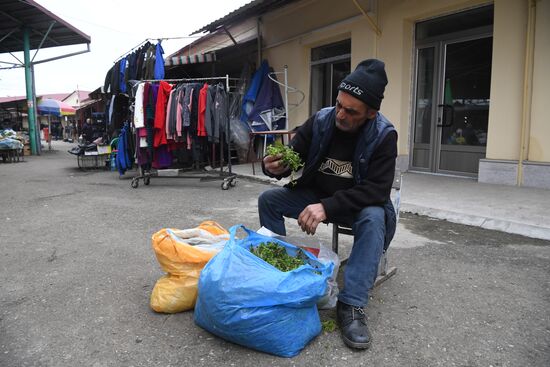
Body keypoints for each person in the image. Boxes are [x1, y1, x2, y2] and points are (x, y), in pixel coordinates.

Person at [258, 59, 398, 350]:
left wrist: (327, 207)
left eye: (351, 111)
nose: (341, 114)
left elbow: (377, 190)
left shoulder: (384, 135)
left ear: (371, 113)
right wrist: (273, 166)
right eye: (339, 104)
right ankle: (276, 277)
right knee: (269, 200)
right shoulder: (322, 120)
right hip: (315, 194)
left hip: (357, 204)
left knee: (375, 218)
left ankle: (352, 305)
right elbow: (290, 158)